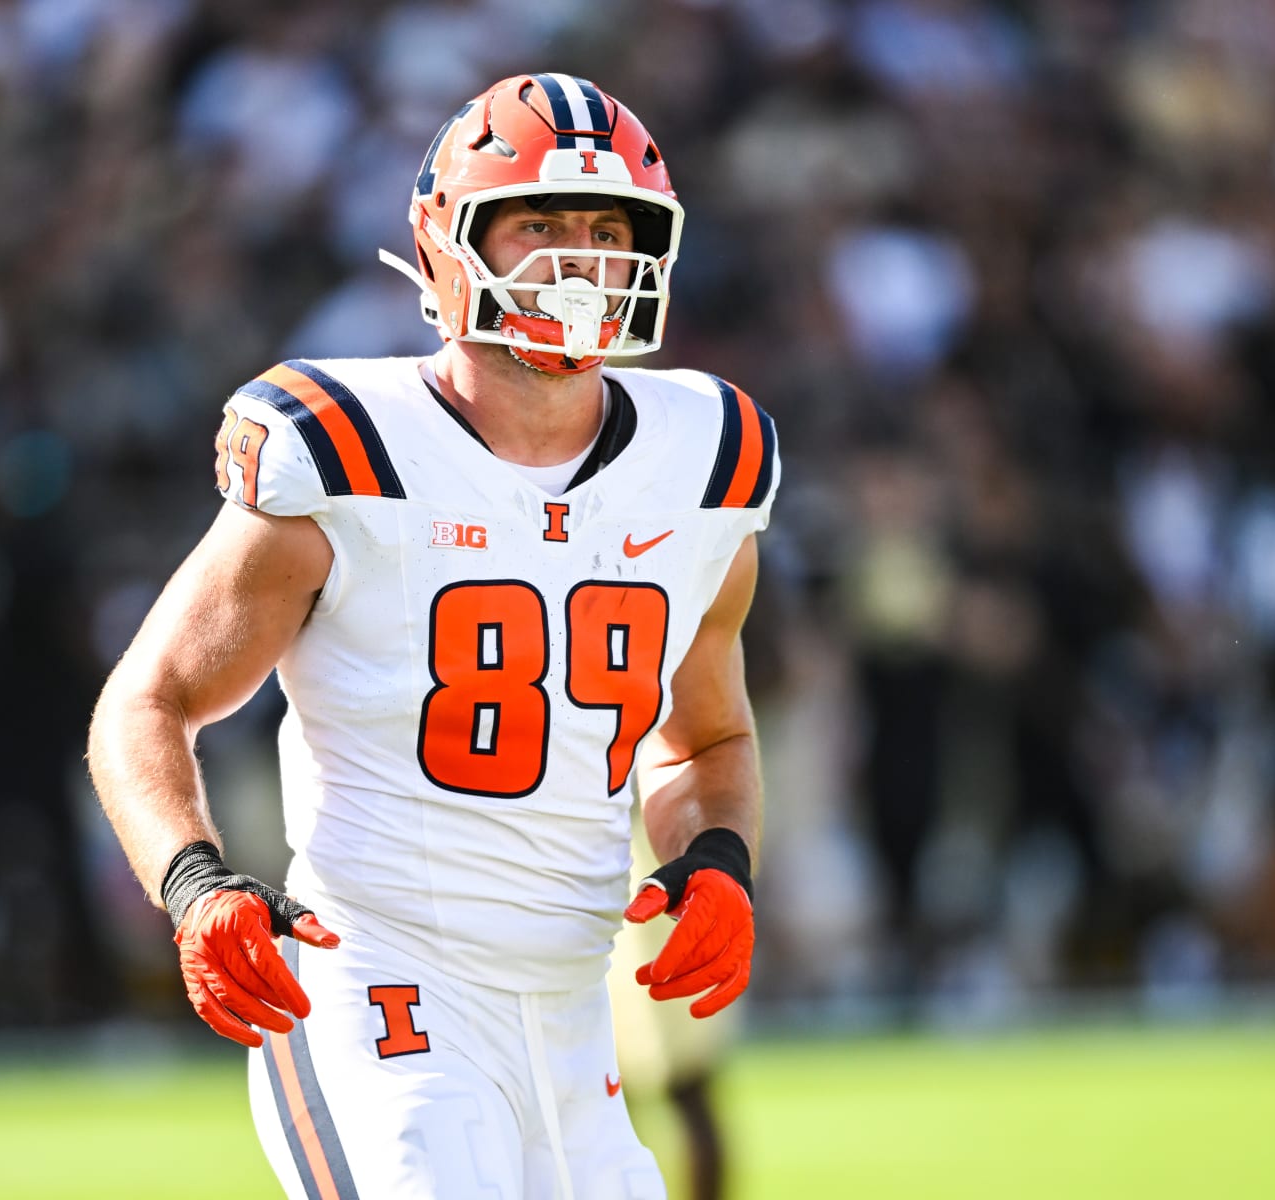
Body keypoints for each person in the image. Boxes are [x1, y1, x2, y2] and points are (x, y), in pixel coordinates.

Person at [88, 72, 779, 1199]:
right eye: (541, 223)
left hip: (571, 1013)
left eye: (608, 229)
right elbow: (147, 699)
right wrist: (195, 884)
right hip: (383, 992)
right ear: (450, 241)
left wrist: (719, 861)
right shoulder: (349, 447)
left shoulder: (706, 461)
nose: (579, 259)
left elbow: (703, 743)